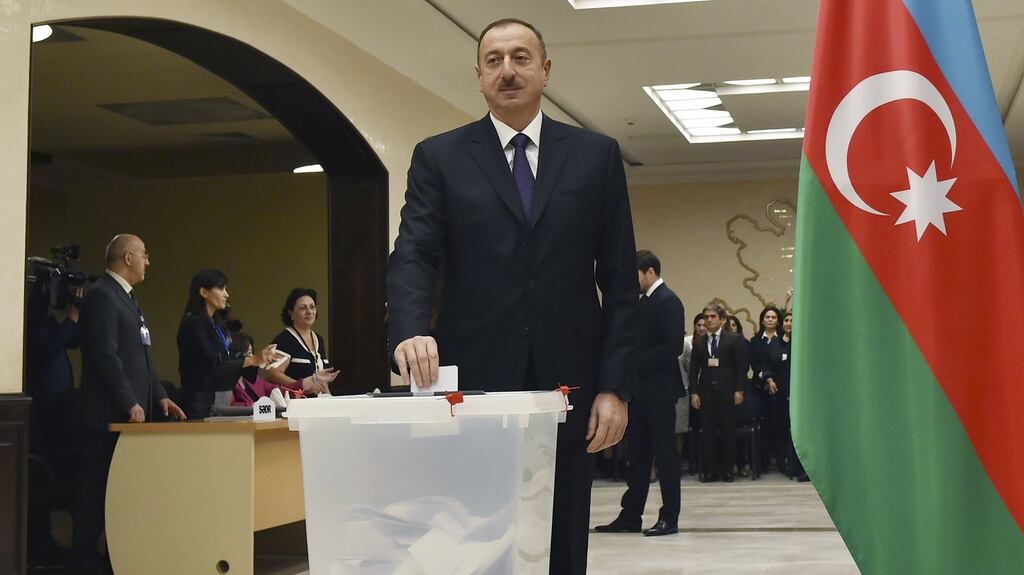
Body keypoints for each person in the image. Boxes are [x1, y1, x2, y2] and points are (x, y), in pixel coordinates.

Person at [386, 18, 639, 574]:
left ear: (546, 71)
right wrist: (409, 328)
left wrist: (615, 386)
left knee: (563, 523)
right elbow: (414, 254)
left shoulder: (596, 156)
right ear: (478, 77)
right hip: (472, 375)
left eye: (521, 57)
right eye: (494, 60)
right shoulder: (440, 157)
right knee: (472, 526)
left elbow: (620, 280)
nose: (508, 70)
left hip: (569, 376)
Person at [73, 234, 186, 574]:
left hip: (132, 415)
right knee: (96, 492)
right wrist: (128, 401)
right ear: (127, 257)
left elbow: (142, 356)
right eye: (144, 255)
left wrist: (160, 396)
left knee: (122, 493)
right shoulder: (102, 297)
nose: (148, 262)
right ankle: (83, 560)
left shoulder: (129, 299)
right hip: (106, 416)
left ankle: (117, 557)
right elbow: (105, 356)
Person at [596, 250, 684, 536]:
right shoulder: (643, 302)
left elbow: (673, 347)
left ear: (649, 272)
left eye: (635, 275)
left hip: (660, 391)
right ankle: (631, 515)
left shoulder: (668, 301)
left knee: (665, 456)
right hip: (641, 392)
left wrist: (634, 364)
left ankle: (669, 516)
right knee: (638, 455)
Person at [177, 269, 275, 419]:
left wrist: (259, 359)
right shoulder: (193, 323)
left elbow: (230, 356)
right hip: (200, 401)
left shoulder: (217, 323)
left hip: (222, 396)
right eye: (221, 288)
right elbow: (210, 361)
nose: (226, 294)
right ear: (204, 292)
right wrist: (251, 360)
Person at [689, 303, 749, 482]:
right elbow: (693, 370)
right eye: (706, 317)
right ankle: (710, 470)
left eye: (713, 316)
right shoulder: (699, 342)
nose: (708, 320)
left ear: (722, 319)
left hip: (728, 393)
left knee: (728, 433)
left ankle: (727, 470)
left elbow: (741, 367)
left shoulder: (734, 339)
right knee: (707, 433)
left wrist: (739, 390)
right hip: (706, 394)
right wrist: (693, 393)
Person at [262, 288, 338, 395]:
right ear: (291, 313)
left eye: (312, 307)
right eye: (303, 308)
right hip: (295, 404)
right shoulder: (285, 339)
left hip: (319, 403)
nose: (309, 312)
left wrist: (329, 397)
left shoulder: (318, 339)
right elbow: (273, 373)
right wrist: (303, 387)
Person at [764, 311, 807, 481]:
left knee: (799, 432)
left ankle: (801, 467)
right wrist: (769, 379)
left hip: (800, 395)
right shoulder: (776, 343)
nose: (789, 323)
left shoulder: (801, 342)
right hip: (780, 396)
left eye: (792, 320)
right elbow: (768, 364)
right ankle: (785, 465)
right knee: (782, 431)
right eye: (787, 320)